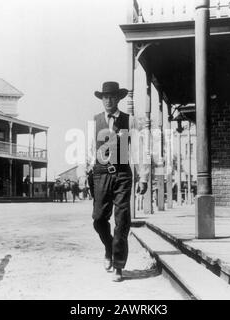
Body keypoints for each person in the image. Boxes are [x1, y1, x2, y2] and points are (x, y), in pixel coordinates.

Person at [88, 81, 149, 282]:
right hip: (101, 173)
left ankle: (118, 265)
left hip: (122, 173)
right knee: (98, 219)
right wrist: (84, 172)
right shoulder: (94, 121)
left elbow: (139, 150)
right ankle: (109, 247)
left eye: (113, 96)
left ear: (119, 98)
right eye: (105, 97)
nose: (109, 100)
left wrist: (143, 176)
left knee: (122, 220)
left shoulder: (129, 121)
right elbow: (89, 151)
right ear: (101, 99)